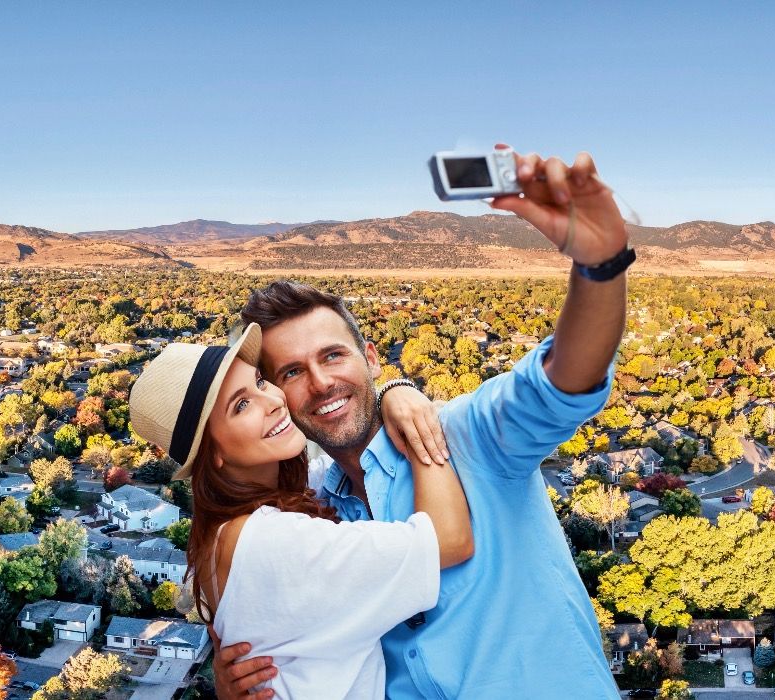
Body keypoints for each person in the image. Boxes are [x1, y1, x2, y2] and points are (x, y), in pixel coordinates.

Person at [214, 147, 630, 699]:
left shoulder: (471, 437)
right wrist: (231, 683)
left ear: (372, 360)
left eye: (334, 356)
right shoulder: (311, 514)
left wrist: (600, 266)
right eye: (291, 371)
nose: (319, 383)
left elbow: (565, 379)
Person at [128, 321, 474, 699]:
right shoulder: (273, 543)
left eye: (260, 382)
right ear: (216, 454)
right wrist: (418, 420)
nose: (273, 401)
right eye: (241, 405)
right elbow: (448, 540)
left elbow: (339, 468)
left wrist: (388, 391)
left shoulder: (224, 533)